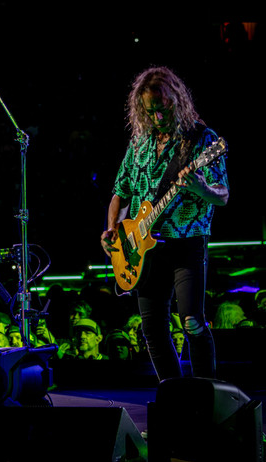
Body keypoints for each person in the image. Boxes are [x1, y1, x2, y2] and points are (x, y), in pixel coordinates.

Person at [101, 66, 228, 382]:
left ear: (178, 100)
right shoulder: (139, 142)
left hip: (186, 242)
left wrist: (201, 188)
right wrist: (113, 229)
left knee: (191, 322)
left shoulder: (203, 139)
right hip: (143, 249)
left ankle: (207, 395)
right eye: (150, 111)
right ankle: (174, 395)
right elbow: (120, 191)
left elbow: (222, 195)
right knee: (153, 328)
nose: (158, 117)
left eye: (164, 108)